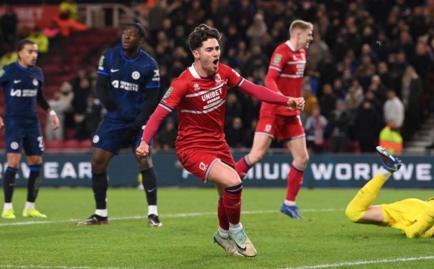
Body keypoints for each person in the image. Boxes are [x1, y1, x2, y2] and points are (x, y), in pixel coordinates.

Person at [136, 24, 304, 257]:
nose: (216, 53)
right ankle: (237, 230)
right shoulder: (183, 83)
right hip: (192, 148)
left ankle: (222, 234)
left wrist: (286, 100)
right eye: (209, 49)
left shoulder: (224, 72)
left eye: (217, 48)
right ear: (196, 53)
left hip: (218, 143)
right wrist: (145, 141)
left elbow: (254, 89)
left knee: (227, 191)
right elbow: (158, 114)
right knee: (234, 182)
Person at [78, 23, 163, 227]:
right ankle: (101, 214)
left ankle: (153, 214)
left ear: (140, 41)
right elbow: (100, 85)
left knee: (144, 159)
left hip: (138, 120)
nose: (126, 37)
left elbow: (153, 98)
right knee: (97, 161)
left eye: (132, 35)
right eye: (125, 34)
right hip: (114, 119)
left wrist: (140, 120)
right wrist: (110, 105)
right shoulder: (110, 56)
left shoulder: (149, 65)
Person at [235, 20, 313, 219]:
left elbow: (293, 82)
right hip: (273, 109)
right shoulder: (281, 51)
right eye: (309, 34)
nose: (311, 38)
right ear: (298, 34)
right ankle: (229, 181)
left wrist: (295, 100)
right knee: (257, 155)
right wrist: (284, 99)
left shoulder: (302, 53)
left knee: (302, 158)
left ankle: (289, 204)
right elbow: (269, 79)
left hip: (291, 112)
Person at [345, 146, 434, 238]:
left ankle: (387, 169)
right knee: (413, 233)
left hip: (412, 206)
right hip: (431, 218)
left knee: (354, 213)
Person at [0, 39, 60, 219]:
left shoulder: (38, 72)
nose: (34, 55)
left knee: (36, 162)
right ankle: (8, 207)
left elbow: (40, 97)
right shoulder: (8, 70)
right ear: (20, 53)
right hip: (14, 122)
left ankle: (30, 207)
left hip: (33, 123)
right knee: (14, 163)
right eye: (30, 51)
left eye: (36, 52)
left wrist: (51, 112)